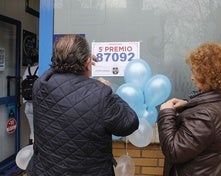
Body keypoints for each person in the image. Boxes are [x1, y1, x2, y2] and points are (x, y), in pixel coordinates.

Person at [26, 34, 139, 176]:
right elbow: (129, 123)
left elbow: (55, 69)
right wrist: (107, 90)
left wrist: (76, 59)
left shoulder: (41, 85)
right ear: (87, 63)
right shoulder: (101, 93)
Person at [157, 42, 221, 176]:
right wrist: (188, 104)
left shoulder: (205, 115)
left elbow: (174, 151)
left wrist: (166, 113)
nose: (192, 77)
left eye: (195, 72)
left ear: (210, 76)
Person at [22, 54, 39, 145]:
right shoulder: (41, 69)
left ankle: (31, 147)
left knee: (32, 131)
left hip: (28, 105)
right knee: (40, 130)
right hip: (38, 105)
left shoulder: (26, 70)